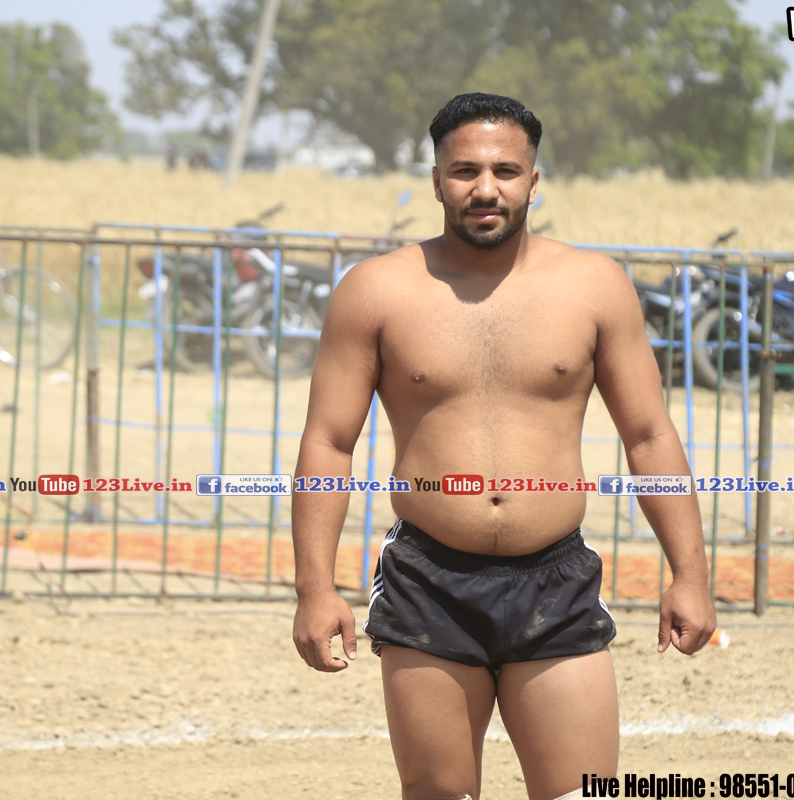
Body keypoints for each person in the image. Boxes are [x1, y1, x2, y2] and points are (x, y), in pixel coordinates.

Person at [291, 93, 716, 800]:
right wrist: (314, 586)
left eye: (505, 171)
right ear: (436, 181)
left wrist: (690, 574)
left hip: (556, 580)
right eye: (465, 171)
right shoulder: (375, 291)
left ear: (533, 181)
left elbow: (648, 435)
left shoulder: (595, 286)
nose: (485, 188)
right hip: (428, 582)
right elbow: (329, 443)